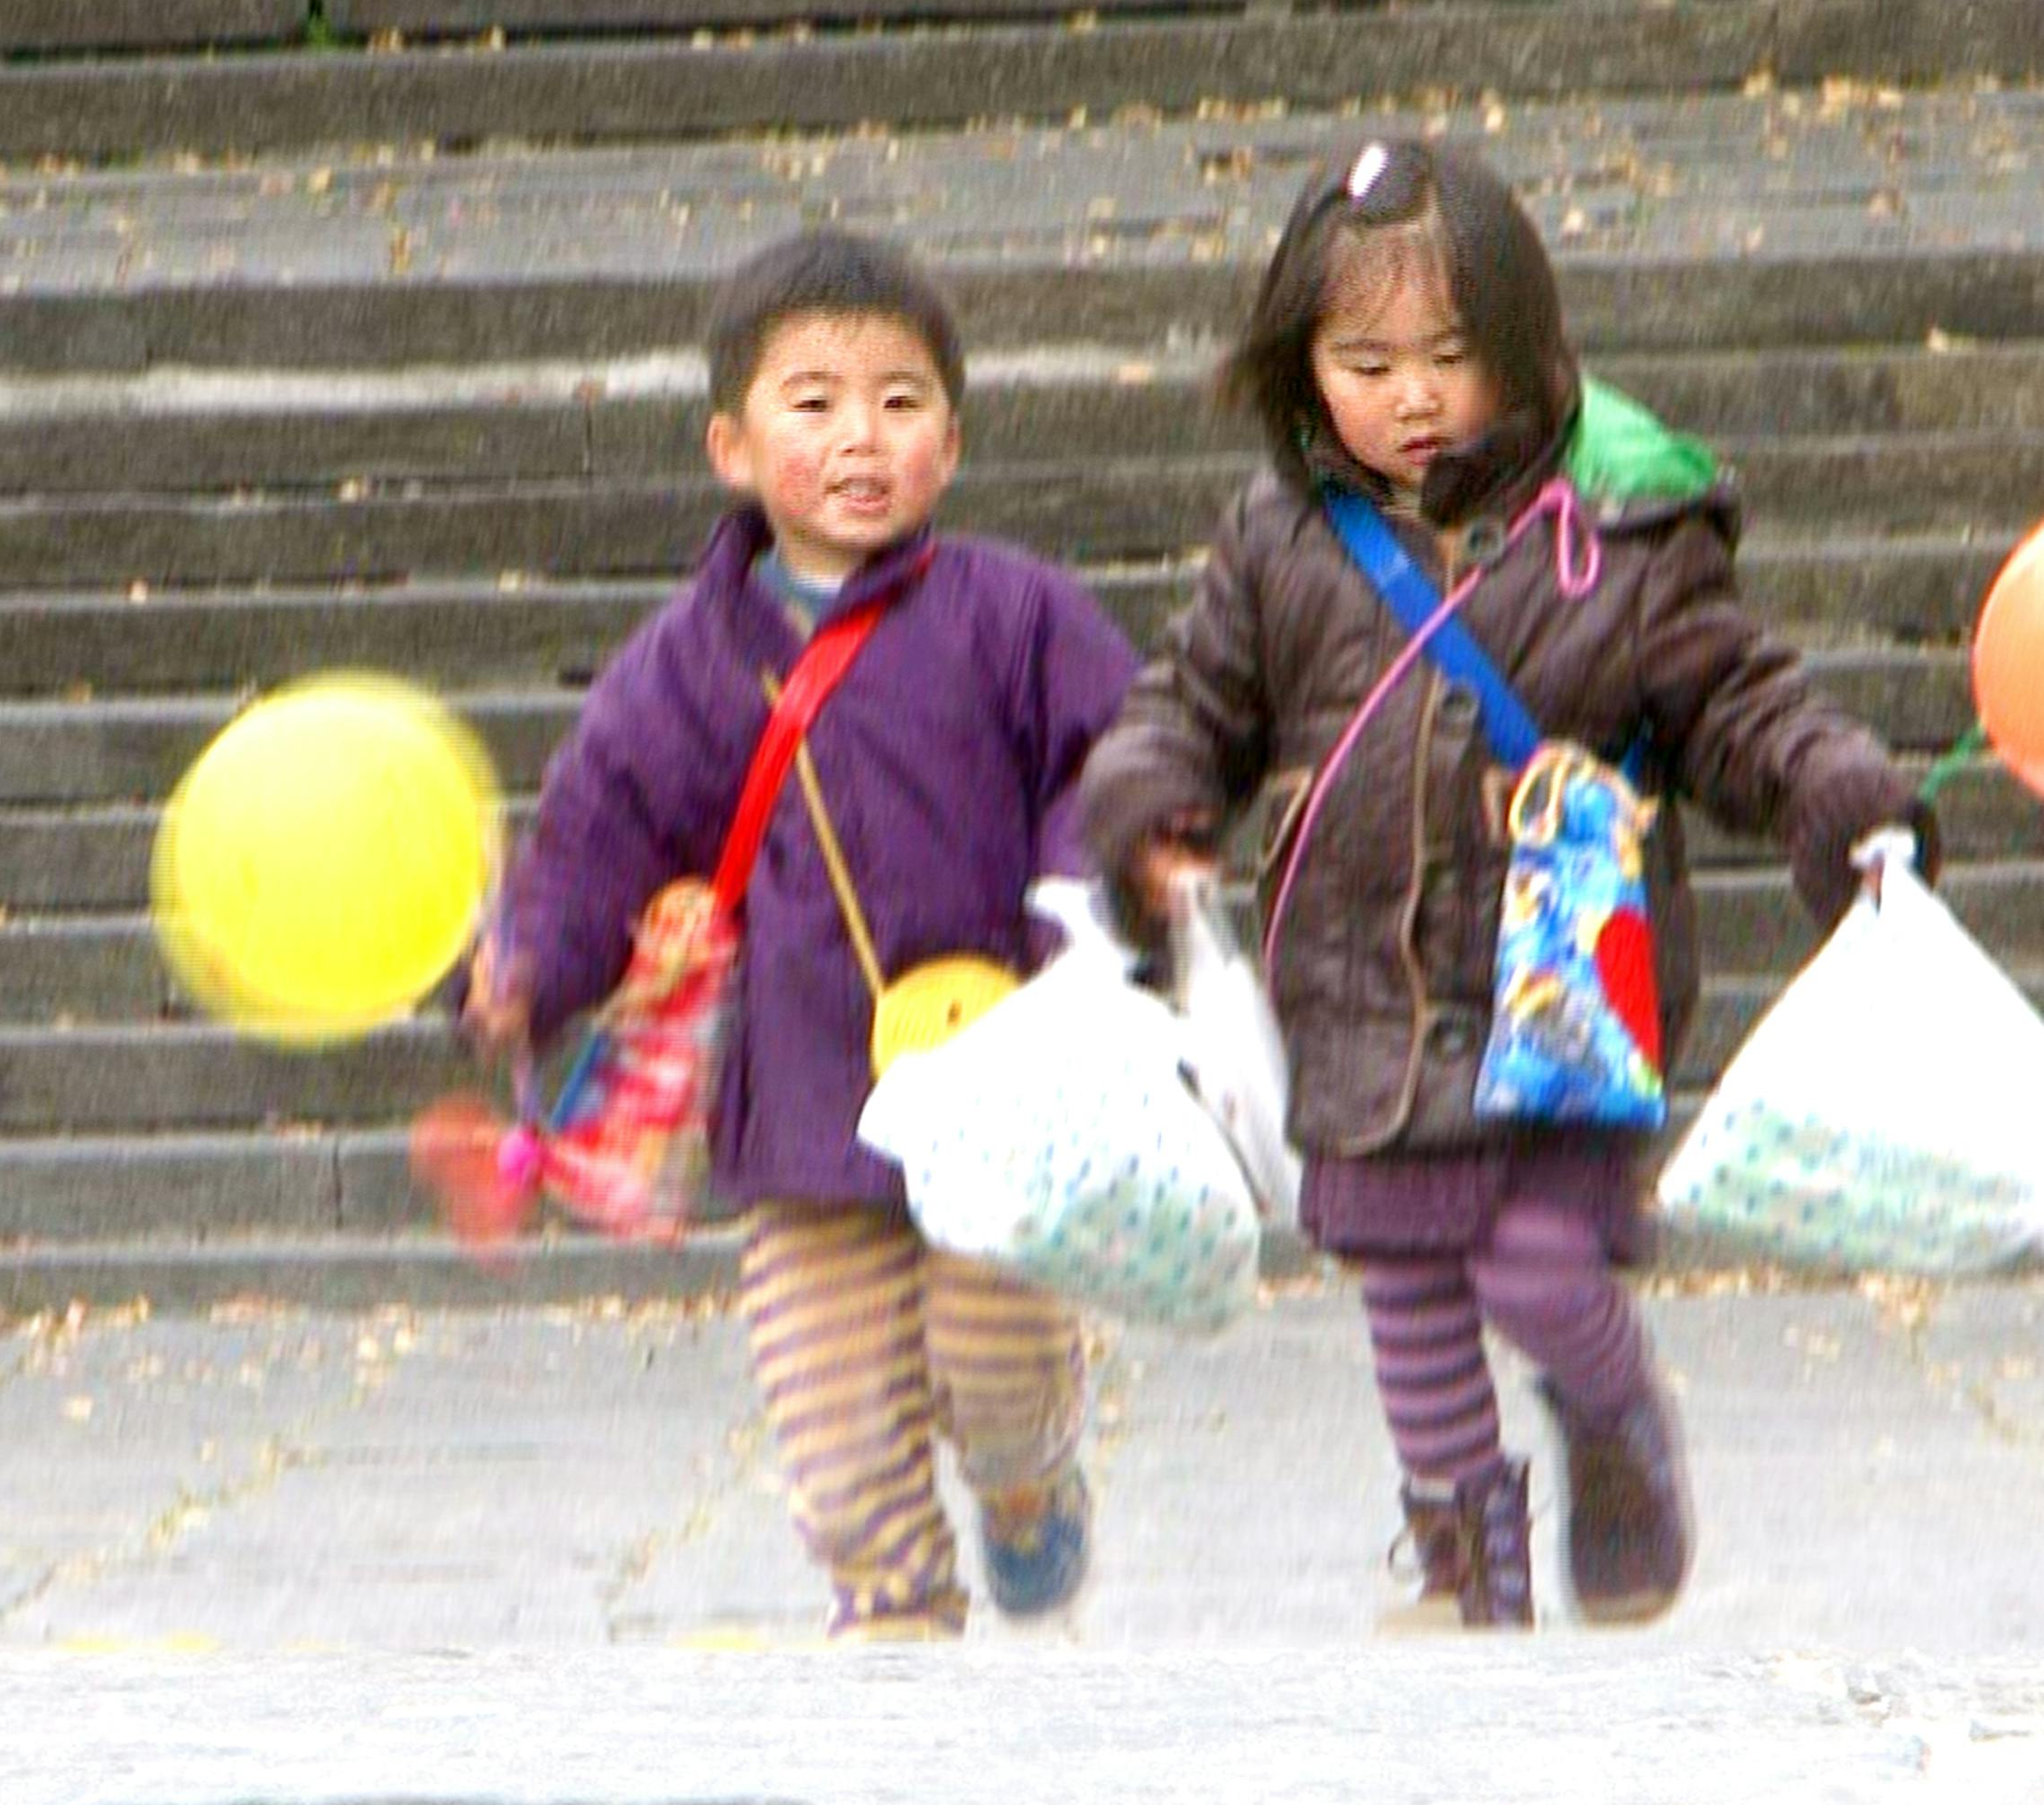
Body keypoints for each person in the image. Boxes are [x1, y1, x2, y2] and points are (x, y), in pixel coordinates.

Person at [1079, 139, 1936, 1631]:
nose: (1410, 396)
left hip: (1556, 997)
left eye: (1450, 356)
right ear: (1302, 362)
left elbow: (1744, 705)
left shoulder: (1619, 536)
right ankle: (1465, 1551)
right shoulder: (1278, 537)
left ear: (1525, 352)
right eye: (1365, 360)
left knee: (1539, 1260)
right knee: (1405, 1287)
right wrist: (1150, 806)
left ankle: (1614, 1424)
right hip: (1359, 987)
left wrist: (1833, 791)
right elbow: (1186, 705)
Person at [461, 229, 1139, 1641]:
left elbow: (1117, 764)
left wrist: (1083, 914)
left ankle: (1027, 1481)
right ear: (730, 443)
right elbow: (596, 835)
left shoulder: (1015, 617)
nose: (858, 437)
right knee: (835, 1449)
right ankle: (896, 1638)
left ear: (948, 445)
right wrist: (528, 969)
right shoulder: (685, 664)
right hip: (806, 1112)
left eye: (899, 403)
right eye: (813, 401)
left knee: (993, 1359)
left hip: (1002, 1091)